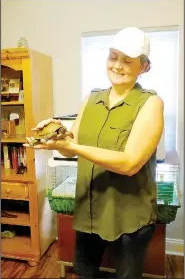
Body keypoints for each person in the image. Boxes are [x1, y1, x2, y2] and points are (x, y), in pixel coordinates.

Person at [24, 27, 164, 278]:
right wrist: (54, 135)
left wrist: (72, 146)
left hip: (128, 216)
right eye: (113, 56)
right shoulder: (91, 98)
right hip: (89, 209)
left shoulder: (150, 103)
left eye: (127, 60)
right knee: (85, 271)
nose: (117, 65)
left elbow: (130, 163)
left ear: (143, 67)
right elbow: (70, 147)